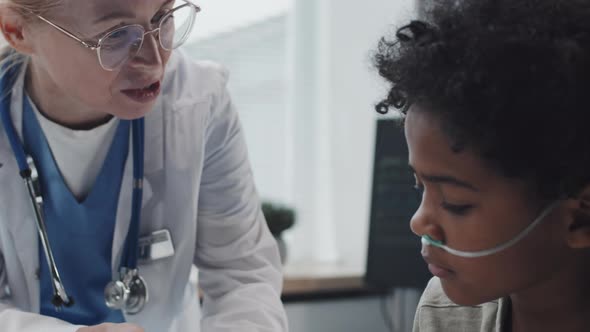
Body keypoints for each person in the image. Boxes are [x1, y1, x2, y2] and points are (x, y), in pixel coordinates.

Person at [0, 0, 288, 331]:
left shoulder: (199, 102)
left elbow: (243, 276)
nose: (154, 59)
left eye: (163, 18)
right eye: (116, 35)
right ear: (17, 30)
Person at [373, 0, 590, 331]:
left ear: (579, 219)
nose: (418, 222)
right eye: (420, 187)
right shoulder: (444, 314)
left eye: (456, 204)